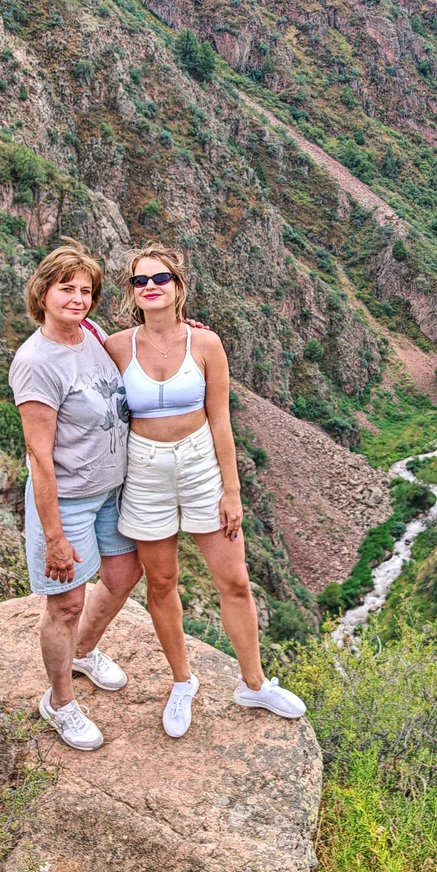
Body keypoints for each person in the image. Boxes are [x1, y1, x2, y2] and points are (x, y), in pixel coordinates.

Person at [104, 243, 306, 737]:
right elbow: (69, 339)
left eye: (160, 278)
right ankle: (181, 681)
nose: (150, 286)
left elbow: (222, 421)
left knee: (234, 580)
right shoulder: (114, 346)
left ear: (178, 286)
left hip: (201, 468)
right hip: (144, 472)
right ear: (132, 293)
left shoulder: (207, 345)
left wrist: (232, 491)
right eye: (139, 281)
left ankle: (253, 683)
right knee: (162, 583)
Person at [9, 241, 141, 751]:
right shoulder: (36, 363)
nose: (79, 299)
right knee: (66, 603)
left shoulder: (90, 334)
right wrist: (56, 536)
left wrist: (182, 335)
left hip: (110, 490)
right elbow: (40, 458)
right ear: (43, 292)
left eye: (87, 290)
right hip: (67, 499)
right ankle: (59, 702)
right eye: (67, 288)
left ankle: (84, 651)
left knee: (125, 574)